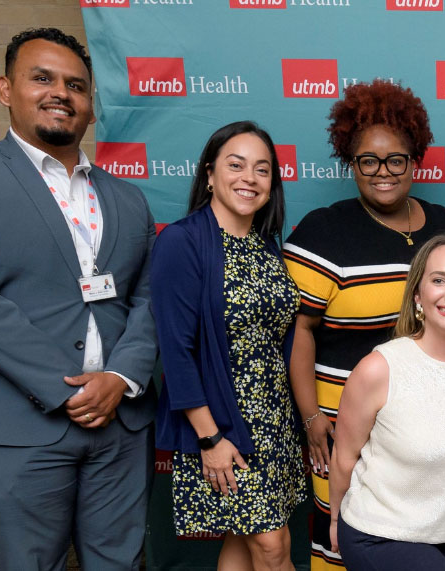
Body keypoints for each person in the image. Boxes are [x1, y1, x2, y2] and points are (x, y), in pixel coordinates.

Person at [0, 28, 158, 569]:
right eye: (42, 78)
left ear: (90, 108)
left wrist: (120, 379)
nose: (61, 92)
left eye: (76, 85)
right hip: (24, 428)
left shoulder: (128, 198)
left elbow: (150, 298)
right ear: (6, 89)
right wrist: (66, 391)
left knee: (119, 563)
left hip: (121, 427)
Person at [284, 79, 445, 570]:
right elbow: (298, 331)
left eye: (396, 160)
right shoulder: (324, 231)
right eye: (368, 160)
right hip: (343, 422)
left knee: (416, 534)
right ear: (351, 161)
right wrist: (310, 419)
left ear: (416, 162)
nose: (382, 172)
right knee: (343, 535)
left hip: (424, 431)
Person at [151, 121, 305, 570]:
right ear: (210, 174)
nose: (249, 178)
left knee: (245, 542)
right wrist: (210, 436)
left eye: (262, 169)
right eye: (235, 165)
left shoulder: (266, 248)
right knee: (273, 546)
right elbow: (175, 351)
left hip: (273, 422)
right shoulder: (182, 241)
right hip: (223, 423)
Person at [329, 235, 445, 571]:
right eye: (439, 280)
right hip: (379, 532)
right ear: (418, 295)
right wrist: (335, 522)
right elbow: (343, 457)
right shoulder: (379, 368)